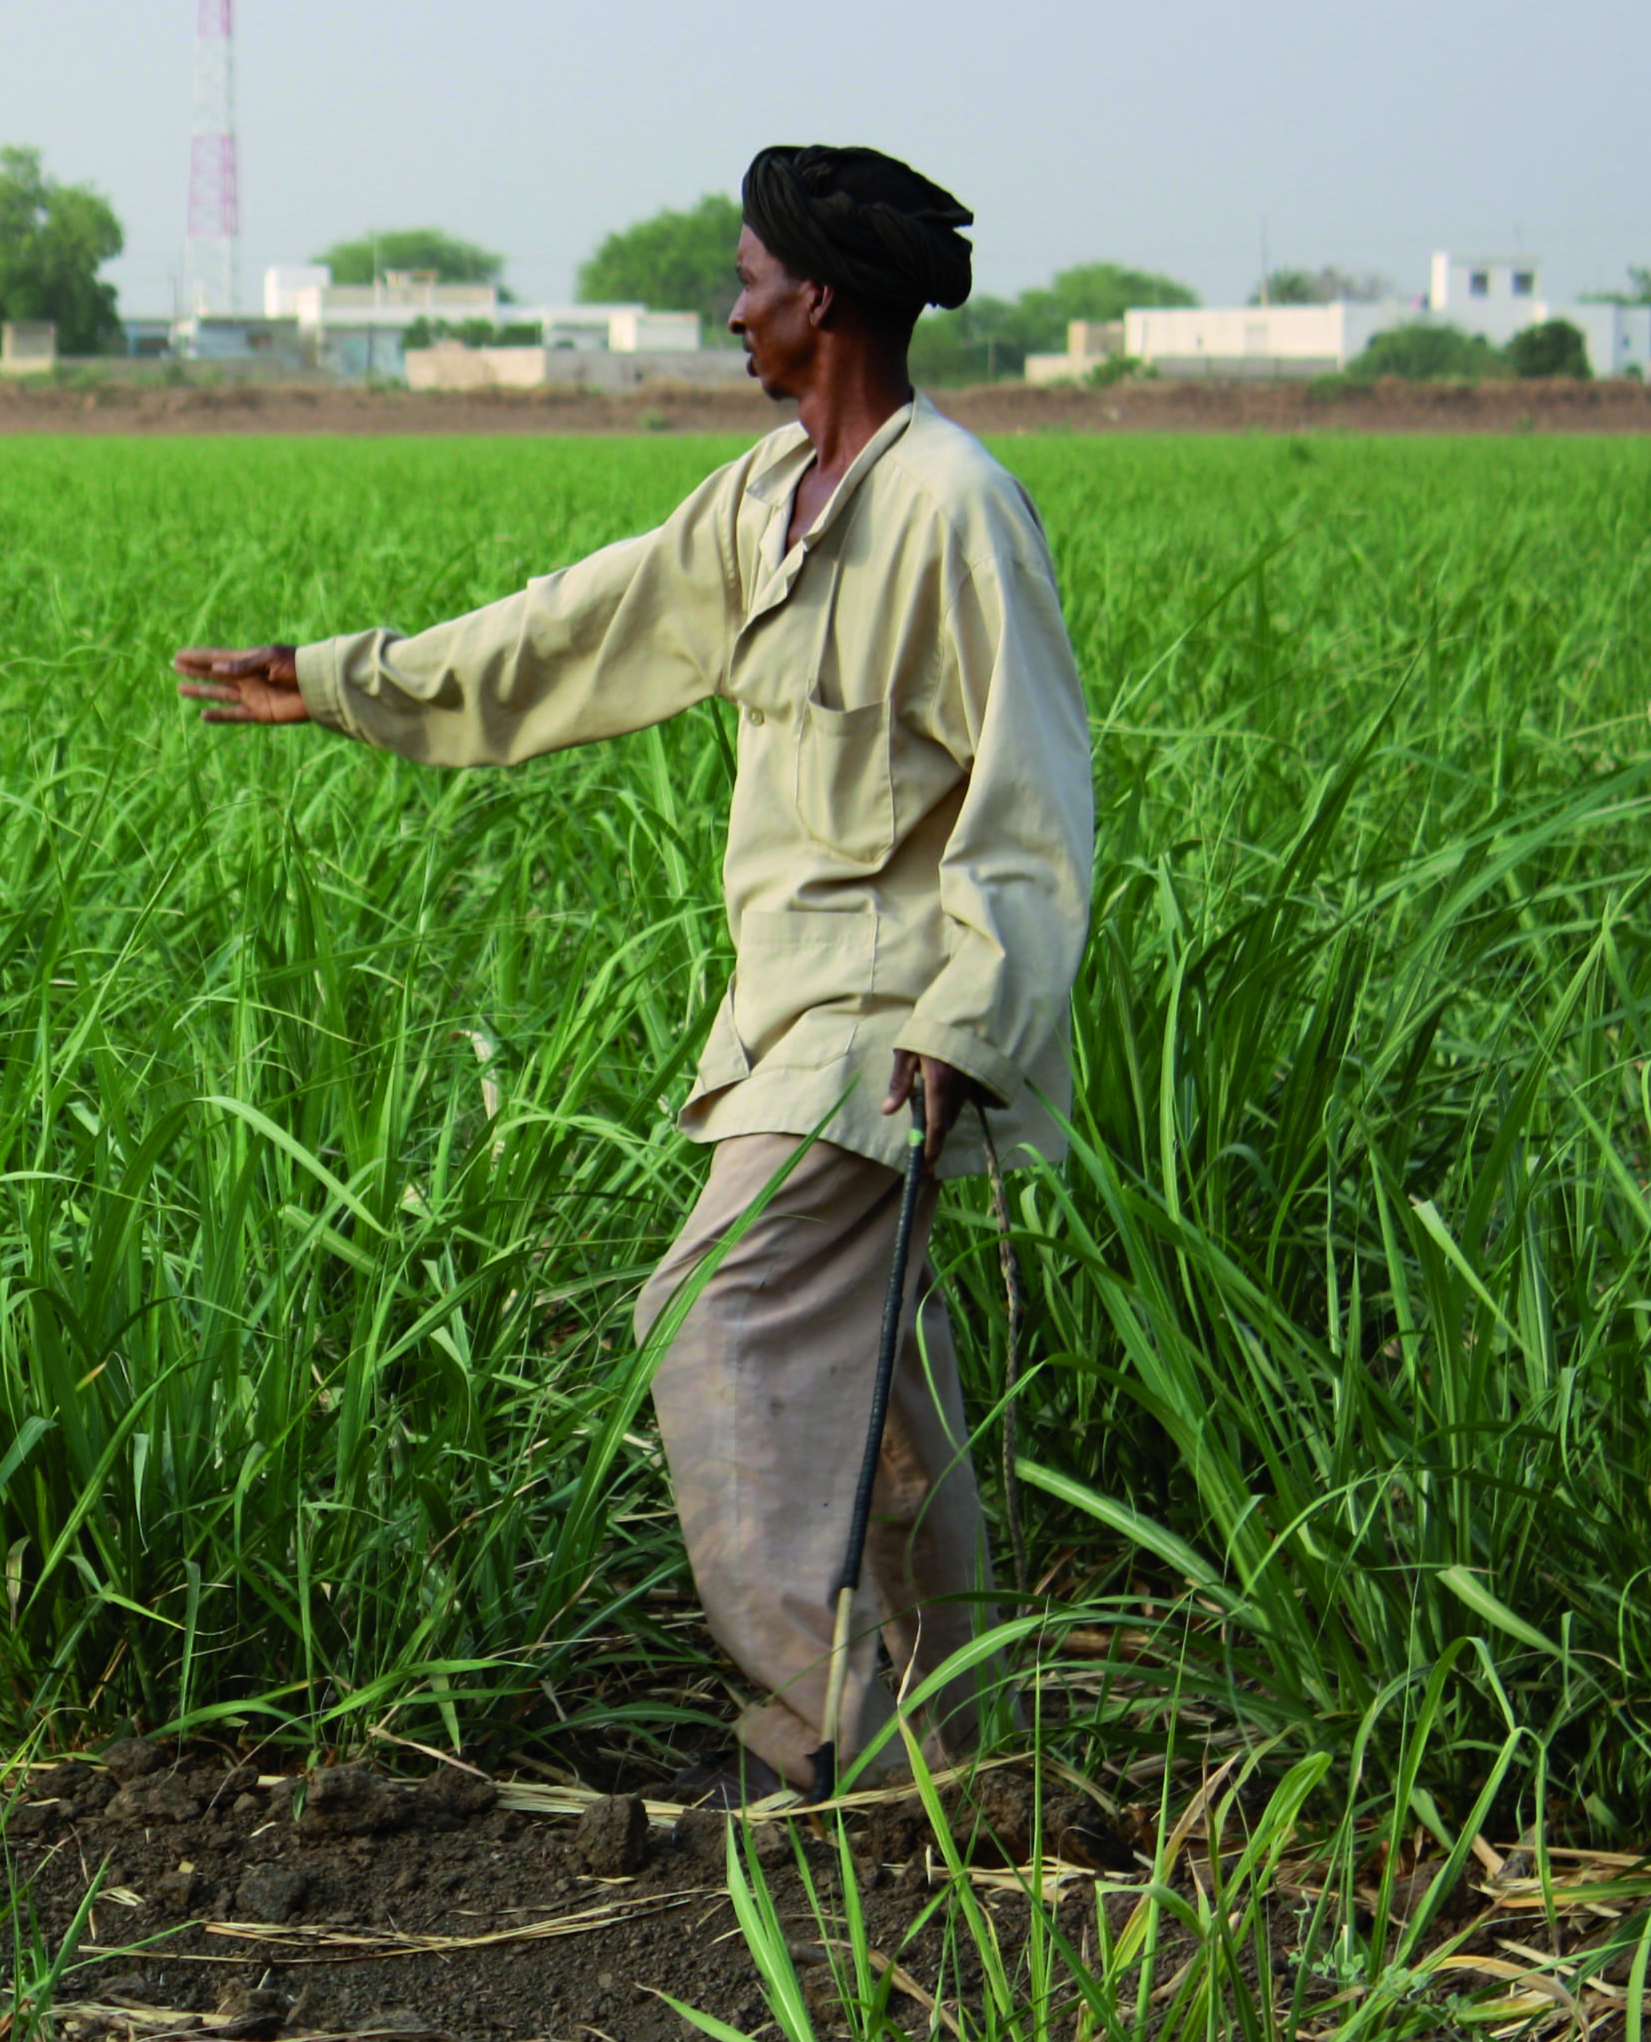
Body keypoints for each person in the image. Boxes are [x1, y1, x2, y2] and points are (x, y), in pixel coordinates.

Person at [171, 145, 1094, 1803]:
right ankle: (966, 1755)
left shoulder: (955, 504)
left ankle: (842, 1737)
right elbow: (575, 628)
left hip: (886, 1032)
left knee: (713, 1313)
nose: (730, 309)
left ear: (819, 299)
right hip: (784, 1022)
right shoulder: (762, 501)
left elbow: (1031, 794)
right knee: (882, 1392)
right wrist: (332, 682)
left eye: (748, 279)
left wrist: (975, 1019)